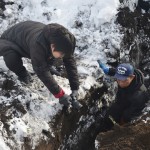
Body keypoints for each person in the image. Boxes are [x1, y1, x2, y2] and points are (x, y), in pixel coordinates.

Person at [0, 20, 82, 109]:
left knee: (52, 56)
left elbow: (69, 60)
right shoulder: (38, 45)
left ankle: (48, 65)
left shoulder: (62, 40)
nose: (63, 57)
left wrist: (75, 88)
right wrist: (60, 95)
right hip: (9, 41)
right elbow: (41, 71)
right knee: (11, 58)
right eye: (62, 54)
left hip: (27, 36)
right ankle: (22, 73)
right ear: (53, 46)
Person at [97, 60, 149, 125]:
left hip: (132, 106)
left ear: (132, 77)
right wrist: (108, 70)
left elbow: (134, 110)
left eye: (124, 80)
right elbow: (117, 72)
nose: (121, 83)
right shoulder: (126, 74)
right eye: (118, 79)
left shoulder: (140, 93)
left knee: (125, 119)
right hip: (121, 100)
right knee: (109, 117)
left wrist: (124, 121)